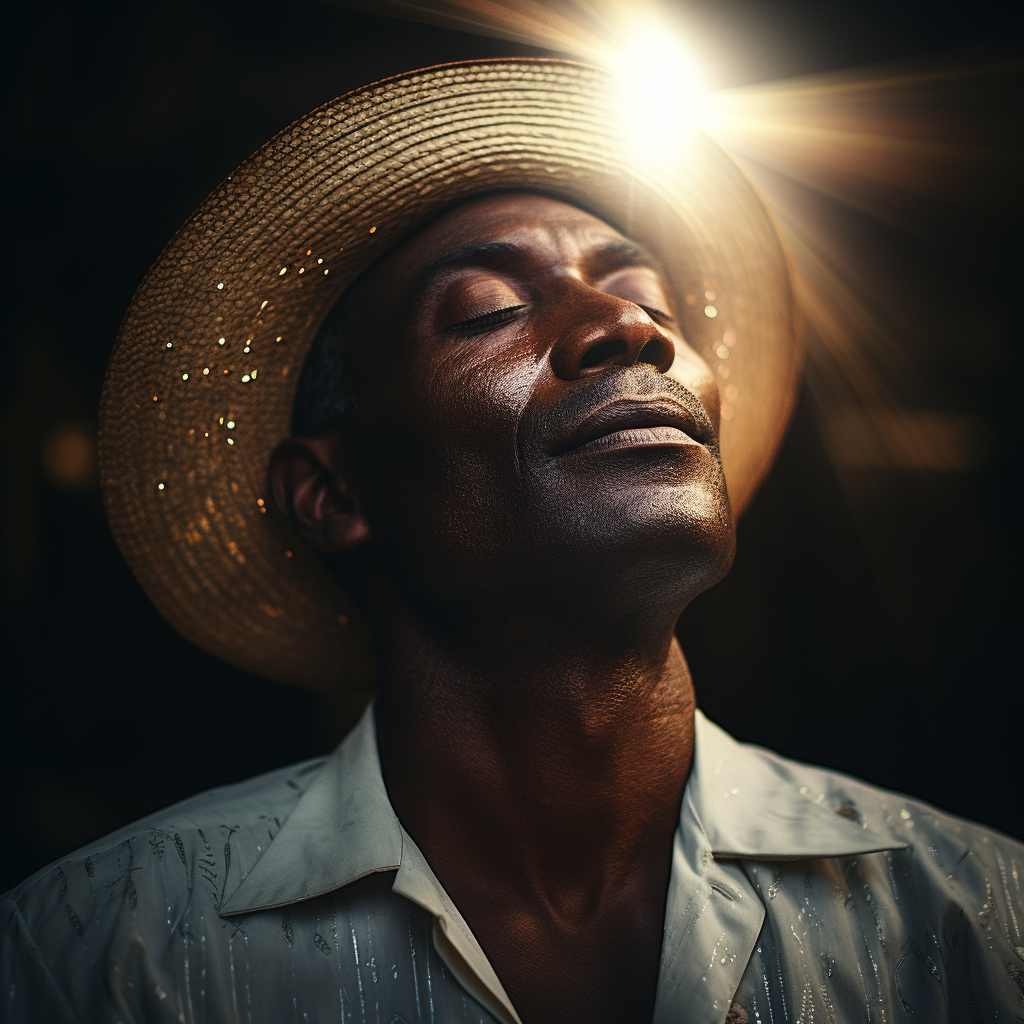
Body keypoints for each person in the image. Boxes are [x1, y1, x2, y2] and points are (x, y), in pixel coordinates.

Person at [2, 58, 1022, 1024]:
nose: (628, 327)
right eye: (488, 308)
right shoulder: (99, 957)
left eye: (650, 300)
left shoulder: (978, 916)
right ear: (331, 492)